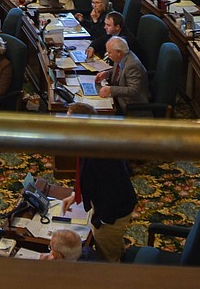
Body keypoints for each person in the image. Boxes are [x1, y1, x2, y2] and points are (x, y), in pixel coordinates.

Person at [66, 102, 137, 262]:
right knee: (113, 245)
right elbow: (87, 174)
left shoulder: (100, 154)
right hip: (108, 205)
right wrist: (75, 194)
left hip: (114, 213)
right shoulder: (93, 137)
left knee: (107, 259)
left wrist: (102, 222)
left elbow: (114, 191)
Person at [93, 37, 148, 115]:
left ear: (118, 52)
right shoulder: (121, 56)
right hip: (118, 98)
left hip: (129, 105)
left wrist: (111, 90)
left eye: (110, 53)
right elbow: (121, 72)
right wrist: (107, 73)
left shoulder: (133, 65)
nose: (108, 55)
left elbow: (134, 90)